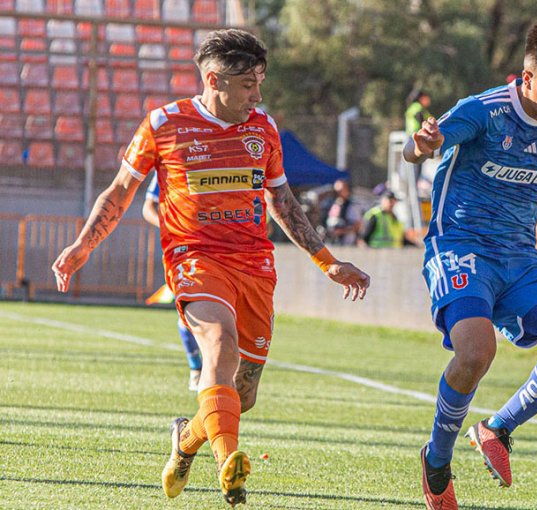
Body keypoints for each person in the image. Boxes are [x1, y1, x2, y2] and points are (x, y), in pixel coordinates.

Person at [50, 29, 370, 506]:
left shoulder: (263, 127)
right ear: (214, 79)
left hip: (255, 265)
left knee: (244, 392)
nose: (257, 95)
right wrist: (83, 244)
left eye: (261, 83)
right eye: (247, 85)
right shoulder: (163, 123)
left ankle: (186, 440)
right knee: (219, 343)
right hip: (194, 258)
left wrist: (327, 261)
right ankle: (230, 467)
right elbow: (120, 192)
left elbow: (281, 199)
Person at [403, 20, 537, 510]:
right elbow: (421, 148)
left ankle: (497, 428)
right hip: (459, 246)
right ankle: (437, 459)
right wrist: (423, 144)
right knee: (476, 352)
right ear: (526, 76)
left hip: (519, 259)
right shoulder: (483, 111)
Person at [142, 173, 203, 391]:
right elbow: (148, 207)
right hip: (183, 252)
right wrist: (172, 226)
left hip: (222, 249)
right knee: (187, 311)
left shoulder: (221, 158)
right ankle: (196, 367)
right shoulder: (169, 161)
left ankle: (222, 372)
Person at [322, 179, 363, 245]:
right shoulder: (331, 204)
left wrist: (342, 231)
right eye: (336, 190)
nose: (338, 193)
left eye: (341, 190)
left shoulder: (352, 206)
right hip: (332, 243)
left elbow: (358, 226)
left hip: (347, 245)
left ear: (347, 191)